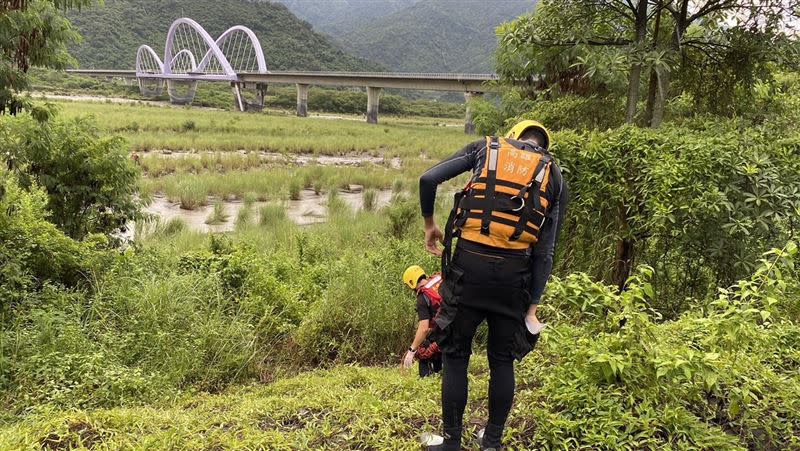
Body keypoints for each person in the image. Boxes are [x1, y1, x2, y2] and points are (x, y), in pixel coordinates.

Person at [418, 120, 568, 450]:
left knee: (456, 355)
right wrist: (532, 306)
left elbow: (428, 178)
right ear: (544, 146)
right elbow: (545, 252)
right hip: (514, 279)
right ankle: (492, 442)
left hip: (467, 271)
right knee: (502, 360)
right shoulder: (553, 175)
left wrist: (430, 223)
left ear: (512, 138)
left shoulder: (486, 148)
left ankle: (452, 442)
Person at [401, 265, 443, 378]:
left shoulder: (422, 297)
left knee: (423, 351)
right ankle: (440, 373)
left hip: (444, 331)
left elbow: (424, 328)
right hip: (460, 323)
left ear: (411, 282)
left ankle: (426, 380)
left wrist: (412, 350)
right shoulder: (438, 279)